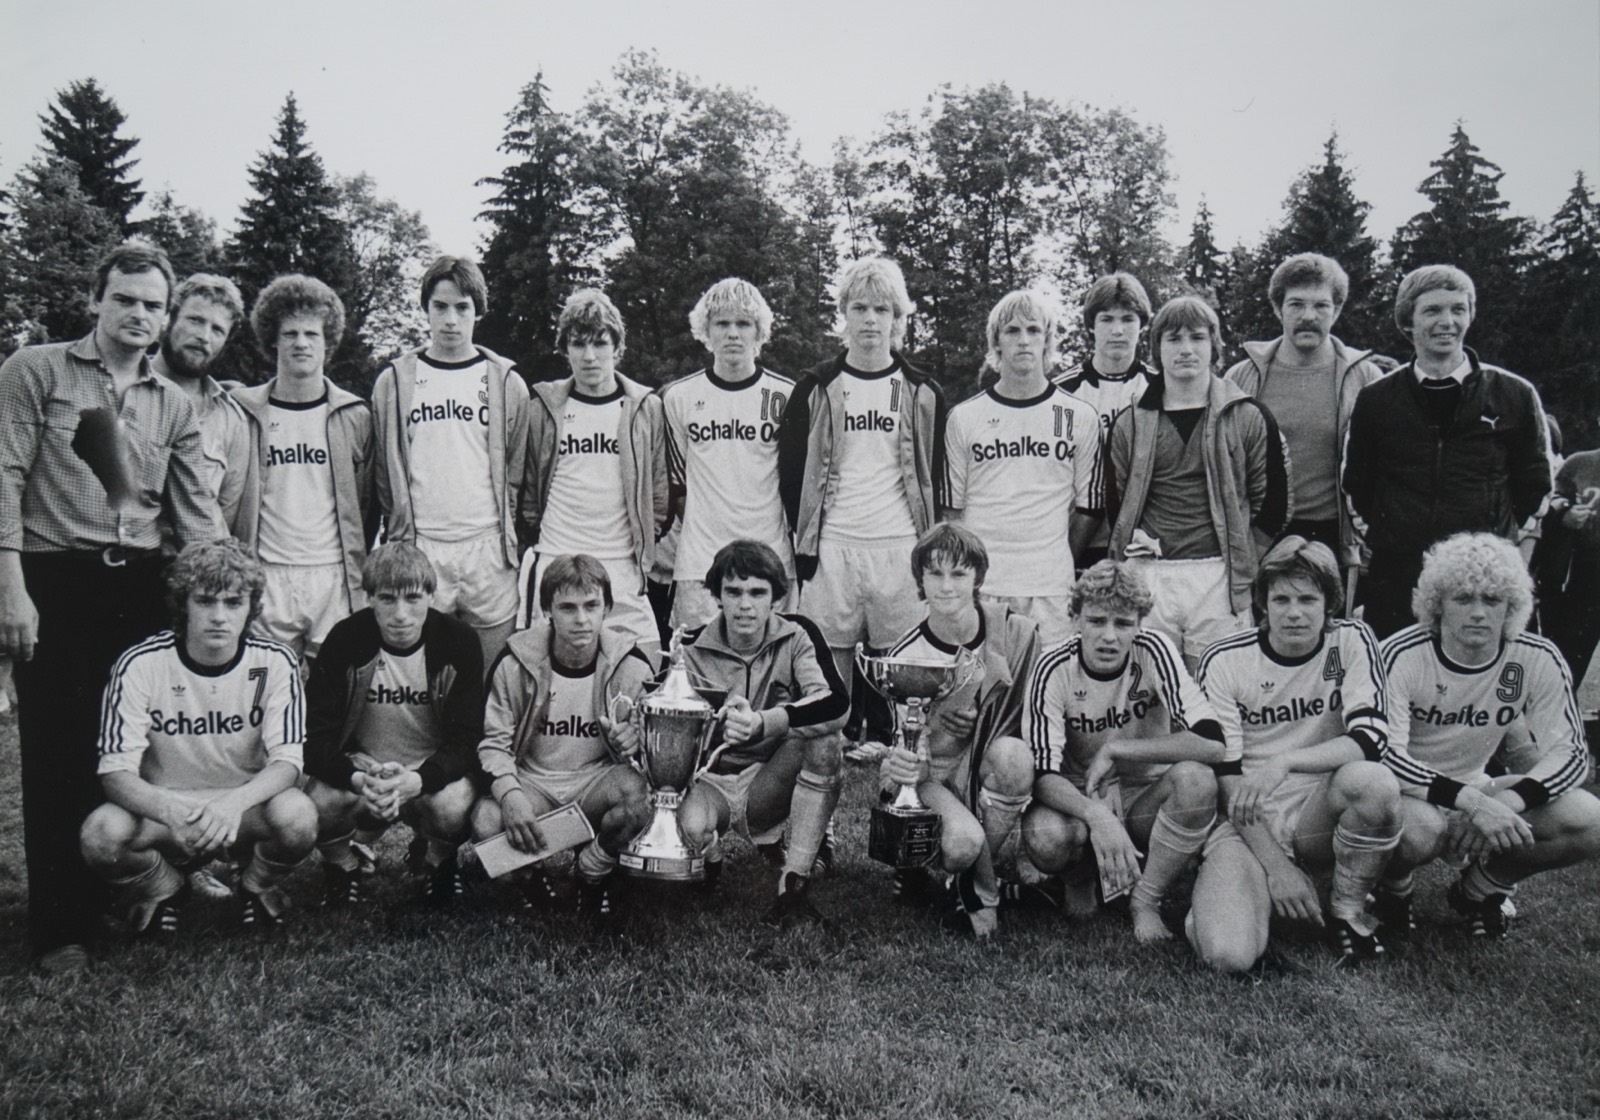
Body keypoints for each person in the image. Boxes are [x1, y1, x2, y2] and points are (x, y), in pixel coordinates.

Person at [0, 241, 223, 973]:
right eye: (125, 298)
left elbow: (197, 518)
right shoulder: (36, 371)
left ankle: (134, 888)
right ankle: (60, 926)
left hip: (141, 592)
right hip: (55, 580)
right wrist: (12, 590)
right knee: (60, 752)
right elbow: (3, 476)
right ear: (96, 299)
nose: (139, 314)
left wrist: (226, 596)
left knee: (135, 752)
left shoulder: (175, 403)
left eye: (153, 304)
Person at [79, 540, 315, 938]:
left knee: (299, 818)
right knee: (100, 835)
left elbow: (288, 763)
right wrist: (171, 810)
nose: (219, 617)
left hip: (244, 809)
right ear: (182, 603)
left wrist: (231, 805)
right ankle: (165, 886)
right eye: (205, 601)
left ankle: (255, 884)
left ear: (251, 608)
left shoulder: (275, 662)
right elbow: (115, 774)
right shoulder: (140, 663)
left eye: (233, 602)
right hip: (166, 812)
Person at [1187, 537, 1399, 971]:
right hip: (1249, 819)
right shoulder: (1225, 658)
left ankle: (1346, 908)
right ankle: (1247, 892)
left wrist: (1285, 763)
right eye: (1280, 599)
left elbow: (1371, 738)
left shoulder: (1352, 641)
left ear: (1330, 603)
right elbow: (1226, 777)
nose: (1294, 612)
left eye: (1308, 598)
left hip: (1317, 813)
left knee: (1373, 783)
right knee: (1228, 956)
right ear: (1262, 604)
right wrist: (1277, 868)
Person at [1378, 533, 1600, 938]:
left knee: (1588, 818)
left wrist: (1508, 801)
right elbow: (1383, 753)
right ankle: (1393, 889)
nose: (1479, 613)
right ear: (1437, 604)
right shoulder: (1399, 654)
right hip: (1407, 797)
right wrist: (1473, 804)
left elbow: (1569, 753)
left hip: (1479, 787)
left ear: (1512, 606)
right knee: (1420, 830)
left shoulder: (1538, 656)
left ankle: (1481, 890)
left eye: (1493, 600)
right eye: (1463, 599)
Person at [778, 256, 946, 757]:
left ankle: (902, 757)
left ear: (899, 318)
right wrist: (805, 536)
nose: (870, 319)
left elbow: (933, 473)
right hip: (832, 545)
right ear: (843, 315)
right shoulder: (814, 386)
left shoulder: (922, 391)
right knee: (830, 662)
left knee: (905, 663)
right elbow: (791, 474)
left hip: (900, 544)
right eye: (860, 308)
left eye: (882, 309)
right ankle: (829, 754)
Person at [1343, 265, 1552, 639]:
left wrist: (1500, 553)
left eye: (1458, 309)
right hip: (1400, 579)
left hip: (1482, 582)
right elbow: (1356, 484)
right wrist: (1392, 538)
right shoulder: (1376, 400)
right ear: (1408, 320)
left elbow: (1535, 485)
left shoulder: (1515, 394)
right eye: (1433, 310)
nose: (1447, 321)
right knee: (1398, 683)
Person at [1022, 560, 1225, 942]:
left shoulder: (1155, 650)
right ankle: (1078, 877)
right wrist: (1096, 814)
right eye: (1097, 621)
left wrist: (1119, 749)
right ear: (1076, 618)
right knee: (1044, 836)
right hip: (1081, 798)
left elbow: (1212, 742)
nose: (1109, 637)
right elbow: (1041, 775)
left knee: (1196, 781)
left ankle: (1146, 900)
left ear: (1140, 625)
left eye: (1123, 624)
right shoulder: (1052, 666)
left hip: (1142, 800)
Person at [1105, 294, 1291, 670]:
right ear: (1157, 348)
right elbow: (1117, 503)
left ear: (1214, 345)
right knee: (1152, 694)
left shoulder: (1248, 415)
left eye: (1197, 338)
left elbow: (1273, 502)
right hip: (1152, 574)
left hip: (1219, 576)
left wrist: (1243, 561)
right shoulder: (1130, 423)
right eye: (1173, 339)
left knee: (1218, 691)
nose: (1186, 349)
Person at [673, 540, 849, 925]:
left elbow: (837, 703)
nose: (745, 605)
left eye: (757, 592)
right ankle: (709, 852)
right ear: (717, 596)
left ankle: (793, 883)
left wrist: (764, 721)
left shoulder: (799, 633)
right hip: (711, 784)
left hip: (768, 783)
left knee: (824, 742)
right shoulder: (689, 647)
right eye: (733, 592)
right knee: (686, 830)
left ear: (775, 597)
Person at [880, 523, 1039, 939]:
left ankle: (955, 878)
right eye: (934, 574)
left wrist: (980, 722)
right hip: (930, 774)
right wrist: (930, 738)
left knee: (1015, 758)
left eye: (959, 574)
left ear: (978, 578)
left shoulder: (1014, 631)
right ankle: (974, 886)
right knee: (962, 844)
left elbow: (1027, 712)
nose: (946, 586)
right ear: (920, 580)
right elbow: (905, 749)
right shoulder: (906, 656)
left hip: (983, 764)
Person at [473, 554, 652, 922]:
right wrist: (511, 795)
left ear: (608, 609)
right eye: (567, 607)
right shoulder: (515, 662)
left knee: (643, 799)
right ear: (547, 611)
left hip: (595, 784)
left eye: (591, 606)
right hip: (536, 784)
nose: (581, 619)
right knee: (486, 821)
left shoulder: (631, 665)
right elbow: (493, 743)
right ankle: (531, 878)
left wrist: (636, 742)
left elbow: (656, 750)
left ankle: (594, 867)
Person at [304, 543, 484, 908]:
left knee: (455, 804)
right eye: (387, 599)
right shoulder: (344, 639)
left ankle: (438, 862)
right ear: (368, 597)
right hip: (365, 766)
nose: (401, 614)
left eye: (413, 598)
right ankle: (342, 865)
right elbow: (315, 738)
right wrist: (357, 778)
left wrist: (420, 779)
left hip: (428, 768)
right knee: (318, 802)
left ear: (432, 596)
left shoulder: (459, 641)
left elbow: (468, 740)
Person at [372, 256, 528, 667]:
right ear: (426, 308)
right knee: (424, 680)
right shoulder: (395, 380)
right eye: (440, 307)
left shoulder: (506, 381)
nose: (451, 319)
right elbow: (383, 477)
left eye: (462, 307)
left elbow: (517, 472)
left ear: (478, 311)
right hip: (422, 545)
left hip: (488, 547)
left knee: (493, 676)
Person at [944, 290, 1103, 644]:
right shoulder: (964, 418)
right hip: (983, 587)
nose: (1024, 340)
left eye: (1034, 330)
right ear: (996, 342)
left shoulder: (1080, 417)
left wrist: (1052, 555)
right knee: (982, 691)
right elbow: (952, 512)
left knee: (1046, 691)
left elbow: (1089, 509)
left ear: (1047, 340)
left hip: (1050, 588)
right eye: (1012, 331)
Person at [232, 274, 375, 661]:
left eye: (311, 334)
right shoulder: (243, 412)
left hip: (334, 576)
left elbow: (368, 504)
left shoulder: (355, 415)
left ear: (327, 341)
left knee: (330, 701)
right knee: (268, 695)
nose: (300, 343)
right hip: (267, 575)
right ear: (273, 339)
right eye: (290, 333)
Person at [523, 290, 667, 659]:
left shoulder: (645, 407)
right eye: (578, 344)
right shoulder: (543, 406)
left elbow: (659, 496)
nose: (589, 356)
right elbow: (526, 492)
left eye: (600, 343)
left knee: (646, 666)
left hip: (620, 563)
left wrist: (642, 544)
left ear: (617, 346)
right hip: (556, 557)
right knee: (543, 674)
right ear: (565, 348)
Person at [1222, 253, 1385, 564]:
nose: (1308, 316)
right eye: (1296, 304)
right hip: (1260, 536)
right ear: (1277, 309)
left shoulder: (1365, 378)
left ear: (1336, 310)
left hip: (1335, 538)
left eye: (1321, 305)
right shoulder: (1242, 376)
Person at [662, 279, 798, 631]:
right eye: (722, 323)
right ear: (705, 330)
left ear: (760, 331)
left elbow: (798, 486)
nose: (733, 334)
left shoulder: (786, 396)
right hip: (700, 567)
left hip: (771, 563)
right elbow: (677, 488)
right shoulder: (680, 397)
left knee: (772, 676)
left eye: (743, 323)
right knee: (699, 678)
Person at [1057, 273, 1155, 569]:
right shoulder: (1062, 392)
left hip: (1142, 541)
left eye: (1128, 319)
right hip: (1076, 540)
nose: (1118, 330)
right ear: (1090, 325)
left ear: (1143, 325)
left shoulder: (1160, 388)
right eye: (1106, 319)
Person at [151, 272, 253, 541]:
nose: (203, 336)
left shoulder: (231, 419)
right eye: (195, 320)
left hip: (189, 568)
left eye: (217, 330)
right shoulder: (122, 384)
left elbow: (225, 517)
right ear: (168, 319)